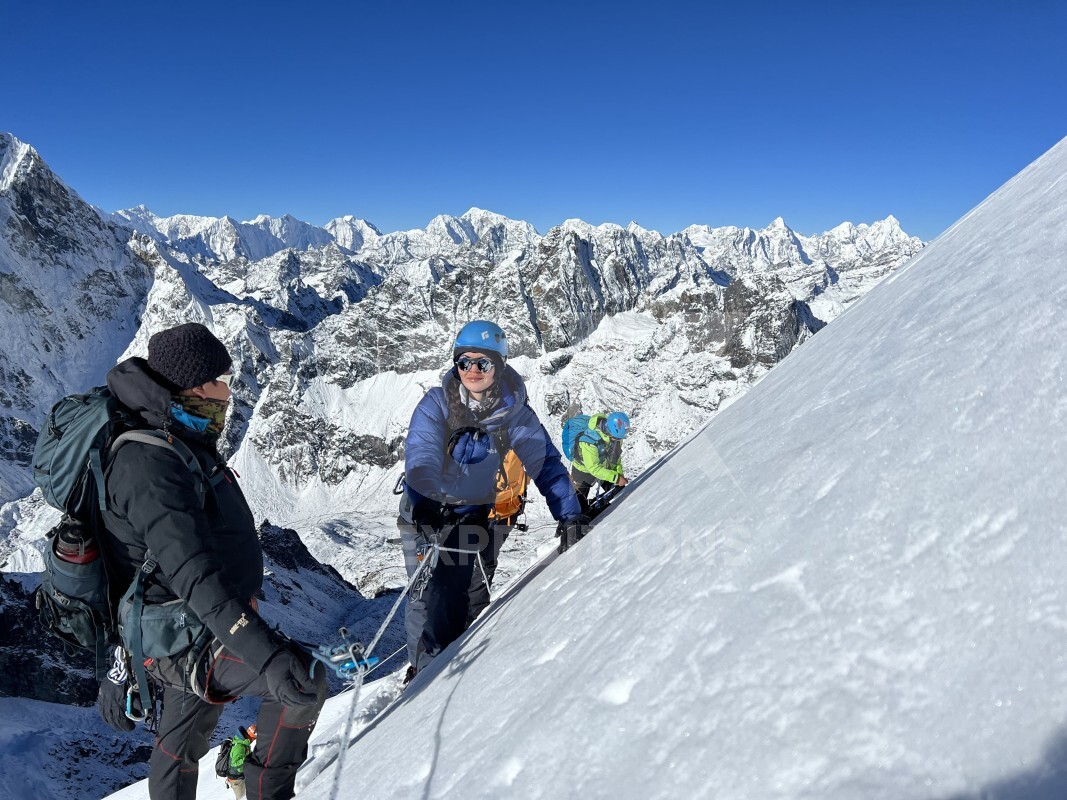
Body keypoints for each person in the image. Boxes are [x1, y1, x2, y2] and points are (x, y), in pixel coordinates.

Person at [94, 322, 326, 800]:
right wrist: (266, 653)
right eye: (222, 380)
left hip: (186, 624)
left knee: (178, 746)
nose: (228, 390)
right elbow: (193, 572)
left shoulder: (177, 435)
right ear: (195, 386)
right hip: (187, 634)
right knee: (300, 678)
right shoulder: (150, 463)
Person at [398, 320, 585, 679]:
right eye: (463, 362)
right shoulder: (437, 404)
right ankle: (424, 671)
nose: (471, 371)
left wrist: (570, 515)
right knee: (426, 594)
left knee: (468, 588)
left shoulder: (514, 414)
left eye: (481, 363)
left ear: (498, 365)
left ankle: (460, 652)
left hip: (472, 515)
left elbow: (545, 464)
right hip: (423, 512)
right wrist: (424, 502)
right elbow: (420, 454)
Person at [570, 411, 631, 515]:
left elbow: (616, 458)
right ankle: (565, 529)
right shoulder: (588, 440)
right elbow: (593, 468)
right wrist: (615, 478)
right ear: (610, 431)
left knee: (618, 490)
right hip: (582, 471)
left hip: (603, 466)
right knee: (577, 507)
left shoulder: (616, 436)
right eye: (615, 438)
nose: (617, 441)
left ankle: (597, 509)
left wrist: (619, 474)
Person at [226, 725, 258, 799]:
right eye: (253, 739)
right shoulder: (240, 747)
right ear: (250, 736)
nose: (252, 741)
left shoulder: (243, 743)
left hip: (240, 776)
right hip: (236, 779)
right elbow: (235, 763)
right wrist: (249, 759)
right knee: (241, 798)